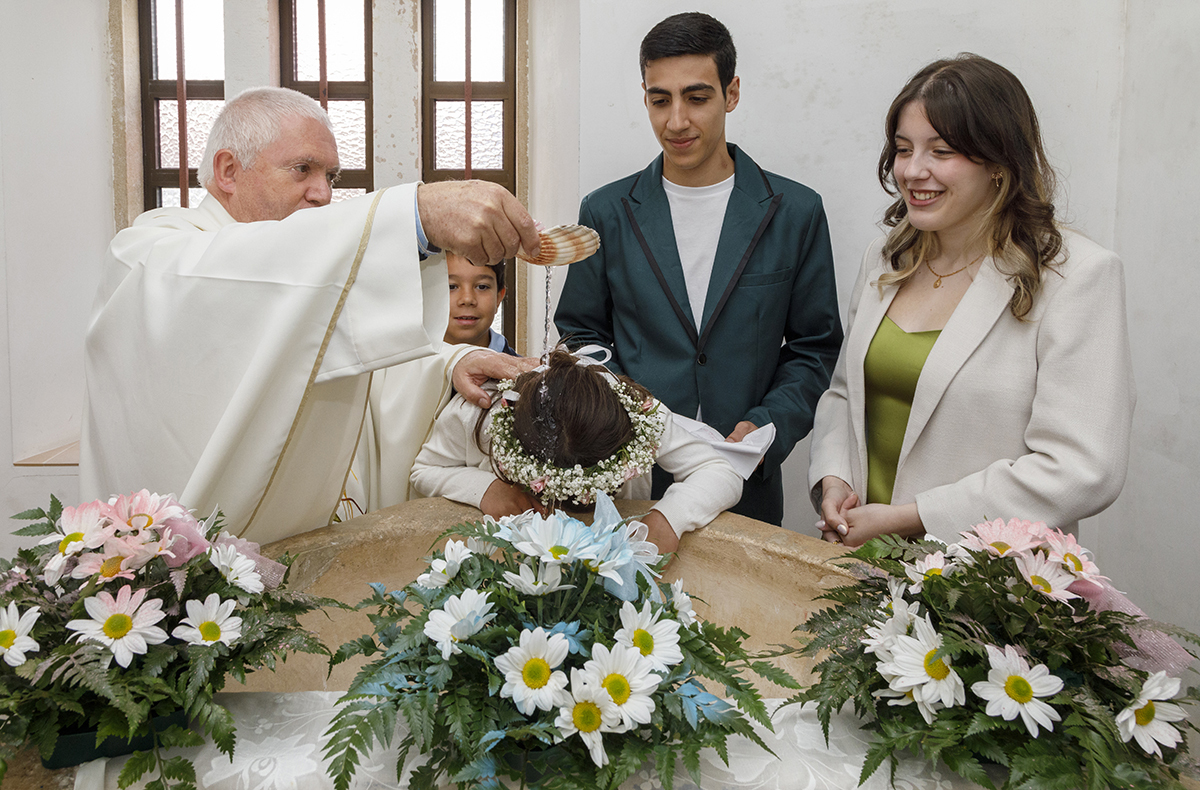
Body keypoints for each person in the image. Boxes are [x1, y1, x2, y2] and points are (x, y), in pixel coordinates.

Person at [80, 87, 539, 545]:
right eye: (302, 169)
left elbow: (354, 351)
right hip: (188, 584)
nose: (322, 193)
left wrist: (449, 364)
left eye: (331, 176)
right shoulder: (147, 253)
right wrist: (411, 215)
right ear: (227, 171)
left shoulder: (303, 271)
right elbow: (245, 286)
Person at [808, 54, 1135, 547]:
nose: (913, 170)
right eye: (902, 149)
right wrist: (834, 479)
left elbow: (1081, 469)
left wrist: (913, 516)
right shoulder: (887, 255)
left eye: (940, 151)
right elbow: (844, 392)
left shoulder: (1078, 276)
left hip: (983, 587)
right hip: (856, 562)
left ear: (1000, 164)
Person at [554, 12, 843, 526]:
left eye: (697, 97)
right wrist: (633, 422)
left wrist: (765, 423)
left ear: (731, 94)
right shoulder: (606, 211)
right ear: (644, 96)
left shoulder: (796, 211)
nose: (676, 121)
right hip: (632, 479)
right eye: (659, 99)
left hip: (745, 481)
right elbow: (580, 333)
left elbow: (813, 348)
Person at [410, 349, 743, 553]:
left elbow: (721, 470)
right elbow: (424, 469)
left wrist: (670, 518)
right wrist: (486, 489)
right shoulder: (482, 412)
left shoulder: (640, 415)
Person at [444, 252, 518, 356]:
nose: (467, 299)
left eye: (482, 287)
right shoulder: (414, 367)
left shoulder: (524, 371)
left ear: (498, 298)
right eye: (451, 287)